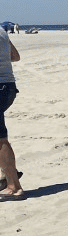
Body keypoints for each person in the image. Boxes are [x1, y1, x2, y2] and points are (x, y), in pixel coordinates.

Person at [0, 22, 25, 201]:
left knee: (1, 139)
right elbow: (15, 57)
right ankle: (7, 173)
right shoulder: (2, 31)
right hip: (9, 88)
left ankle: (14, 186)